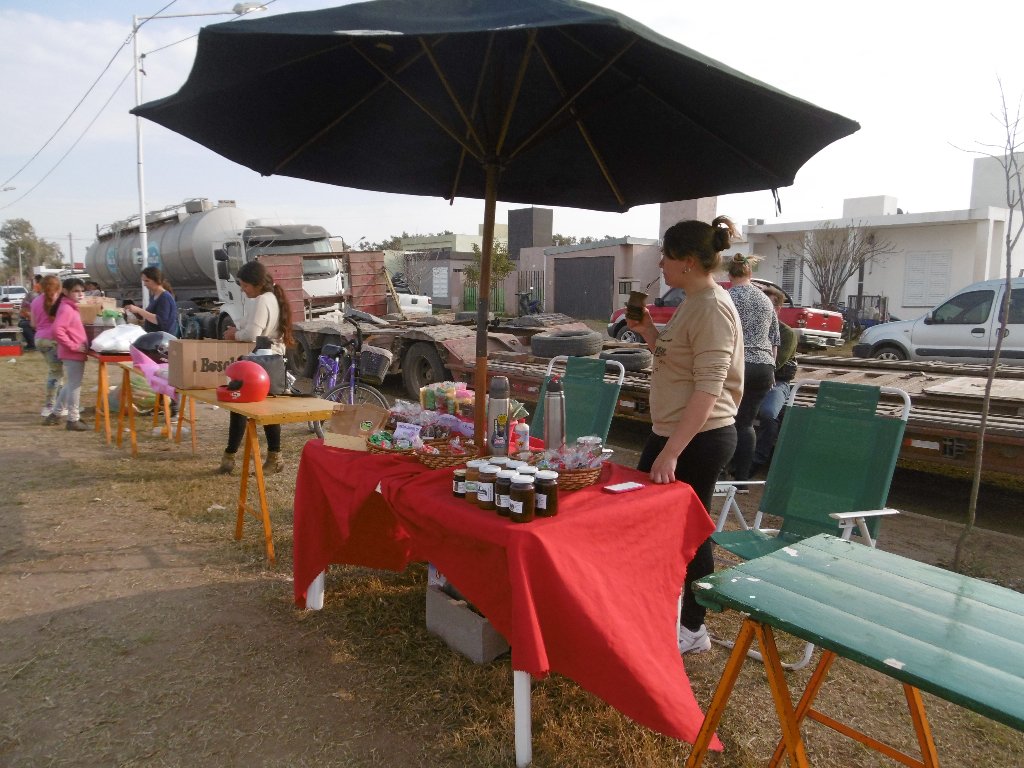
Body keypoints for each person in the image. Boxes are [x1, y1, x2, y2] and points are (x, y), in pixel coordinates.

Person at [626, 216, 744, 655]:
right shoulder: (692, 301)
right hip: (675, 433)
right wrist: (649, 334)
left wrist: (672, 452)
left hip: (699, 436)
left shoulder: (712, 306)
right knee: (653, 520)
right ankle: (663, 608)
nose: (661, 263)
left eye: (667, 256)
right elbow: (677, 361)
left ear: (689, 262)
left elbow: (709, 388)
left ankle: (693, 628)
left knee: (690, 533)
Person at [219, 260, 293, 475]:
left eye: (244, 286)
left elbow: (253, 334)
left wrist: (234, 334)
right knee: (261, 411)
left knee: (240, 407)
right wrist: (237, 326)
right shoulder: (269, 298)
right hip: (269, 362)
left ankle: (231, 457)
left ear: (257, 284)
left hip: (261, 363)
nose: (243, 290)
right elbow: (249, 323)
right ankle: (270, 457)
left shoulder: (262, 300)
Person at [726, 254, 779, 481]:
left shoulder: (727, 297)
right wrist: (772, 370)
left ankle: (719, 474)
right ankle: (742, 480)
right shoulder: (765, 300)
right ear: (750, 273)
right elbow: (774, 338)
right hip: (764, 367)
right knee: (746, 423)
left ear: (729, 274)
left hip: (737, 364)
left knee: (724, 419)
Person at [751, 285, 798, 476]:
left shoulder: (786, 333)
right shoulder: (750, 329)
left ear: (777, 309)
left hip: (776, 382)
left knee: (769, 414)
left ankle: (756, 461)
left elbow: (776, 363)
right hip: (750, 379)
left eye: (768, 306)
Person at [50, 278, 90, 431]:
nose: (80, 294)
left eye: (82, 291)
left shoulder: (70, 307)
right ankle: (73, 419)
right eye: (76, 291)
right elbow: (57, 330)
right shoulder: (67, 308)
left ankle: (55, 414)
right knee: (75, 385)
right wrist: (74, 346)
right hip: (72, 352)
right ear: (65, 292)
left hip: (72, 353)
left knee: (71, 383)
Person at [32, 275, 66, 424]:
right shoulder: (60, 302)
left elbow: (33, 323)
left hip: (40, 339)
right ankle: (50, 405)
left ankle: (60, 403)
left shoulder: (35, 301)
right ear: (59, 287)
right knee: (56, 373)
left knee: (57, 372)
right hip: (53, 340)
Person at [125, 267, 178, 335]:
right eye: (144, 281)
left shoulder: (165, 298)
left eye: (147, 281)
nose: (144, 284)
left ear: (156, 280)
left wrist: (138, 310)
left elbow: (159, 320)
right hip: (154, 336)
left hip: (162, 339)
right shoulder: (154, 296)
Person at [18, 275, 41, 350]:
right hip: (35, 320)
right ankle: (32, 343)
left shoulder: (35, 295)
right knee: (24, 323)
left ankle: (32, 344)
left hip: (39, 322)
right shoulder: (34, 296)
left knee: (23, 324)